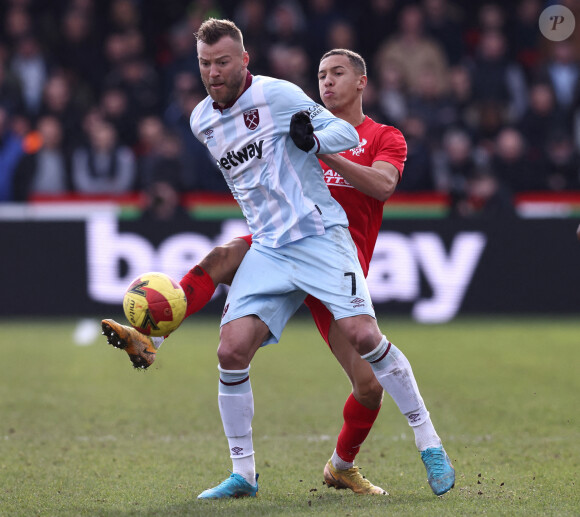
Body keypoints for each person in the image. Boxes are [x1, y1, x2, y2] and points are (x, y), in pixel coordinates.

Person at [102, 20, 454, 499]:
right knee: (229, 347)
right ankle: (243, 474)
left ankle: (427, 442)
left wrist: (314, 140)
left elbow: (345, 138)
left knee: (366, 346)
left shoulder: (282, 96)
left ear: (244, 61)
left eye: (222, 62)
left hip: (320, 238)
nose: (212, 72)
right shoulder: (200, 120)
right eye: (205, 64)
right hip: (270, 244)